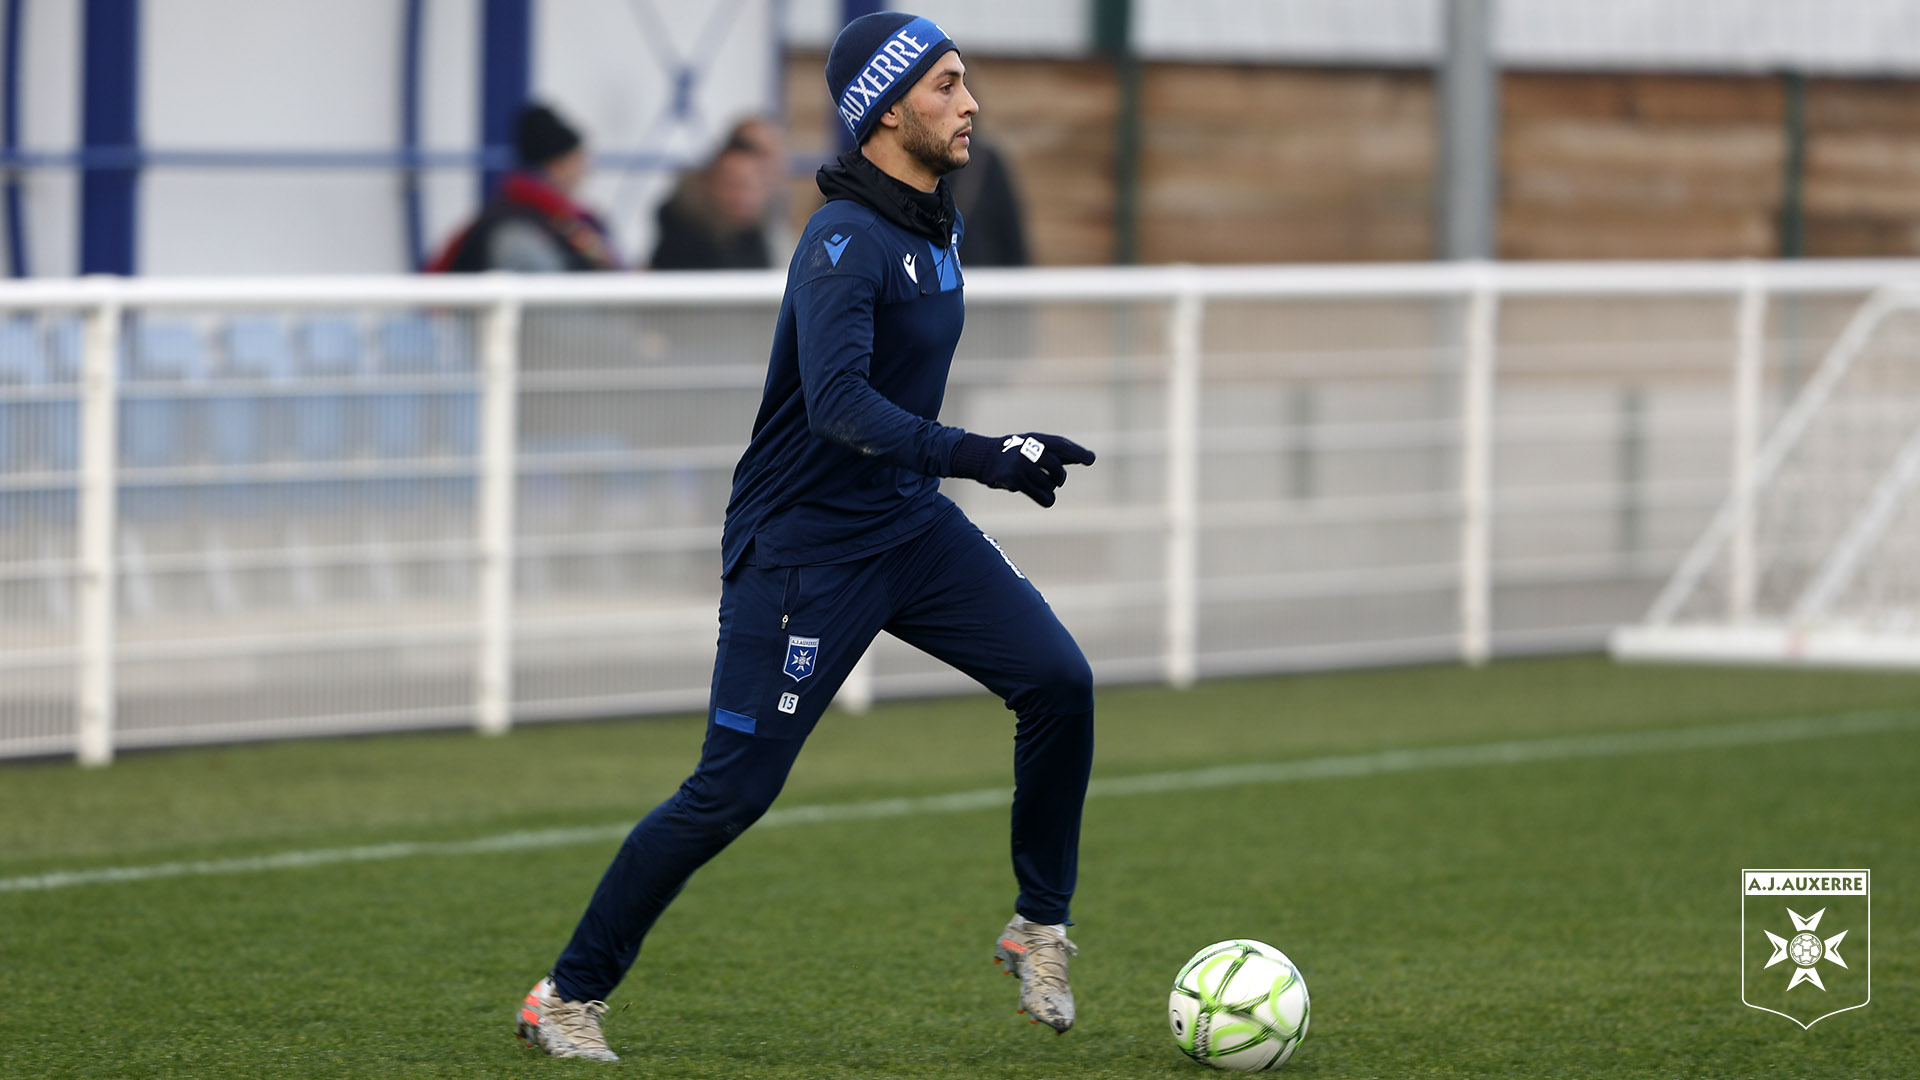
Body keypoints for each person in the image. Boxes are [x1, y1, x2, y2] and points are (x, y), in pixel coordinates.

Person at [514, 12, 1098, 1062]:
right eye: (946, 86)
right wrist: (988, 453)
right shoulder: (842, 241)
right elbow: (839, 409)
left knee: (1059, 681)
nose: (971, 104)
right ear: (883, 108)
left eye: (969, 82)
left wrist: (972, 460)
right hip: (803, 552)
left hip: (907, 527)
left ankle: (1038, 926)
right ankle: (565, 995)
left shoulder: (934, 221)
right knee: (730, 792)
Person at [428, 103, 619, 272]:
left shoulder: (559, 219)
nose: (587, 170)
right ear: (557, 165)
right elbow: (549, 296)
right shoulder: (518, 227)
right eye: (579, 159)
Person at [648, 128, 777, 270]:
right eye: (733, 184)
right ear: (711, 184)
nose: (742, 195)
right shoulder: (681, 238)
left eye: (750, 186)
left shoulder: (765, 235)